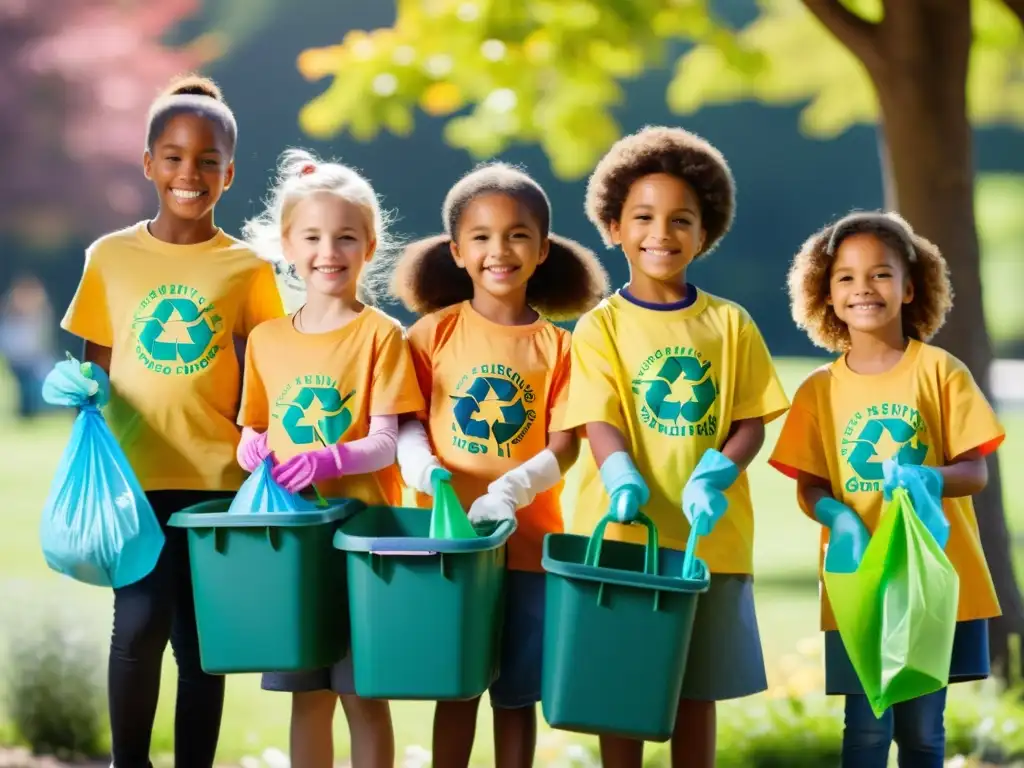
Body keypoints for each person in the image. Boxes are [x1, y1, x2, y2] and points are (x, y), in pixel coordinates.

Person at [47, 74, 285, 768]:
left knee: (201, 642)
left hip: (216, 479)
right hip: (133, 476)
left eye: (208, 160)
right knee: (141, 622)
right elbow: (96, 365)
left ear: (229, 173)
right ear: (149, 163)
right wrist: (78, 390)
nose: (190, 172)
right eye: (174, 156)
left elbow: (264, 368)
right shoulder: (110, 257)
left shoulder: (246, 268)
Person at [561, 126, 790, 768]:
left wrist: (720, 468)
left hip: (704, 540)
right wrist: (621, 478)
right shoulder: (599, 326)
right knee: (619, 687)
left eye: (680, 219)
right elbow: (597, 418)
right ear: (612, 225)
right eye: (643, 217)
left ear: (704, 231)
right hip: (622, 540)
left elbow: (750, 420)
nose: (661, 232)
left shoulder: (730, 323)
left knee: (698, 690)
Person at [769, 211, 1004, 767]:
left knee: (923, 731)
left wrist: (930, 477)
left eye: (880, 274)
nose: (863, 288)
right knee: (867, 730)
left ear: (909, 287)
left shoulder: (940, 371)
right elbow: (809, 485)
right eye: (846, 277)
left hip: (927, 578)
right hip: (861, 584)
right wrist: (837, 516)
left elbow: (975, 471)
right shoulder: (818, 391)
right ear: (825, 293)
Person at [391, 162, 607, 768]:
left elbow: (565, 445)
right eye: (481, 237)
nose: (499, 250)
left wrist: (511, 489)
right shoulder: (430, 335)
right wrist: (421, 468)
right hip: (448, 547)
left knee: (517, 695)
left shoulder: (563, 347)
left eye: (517, 235)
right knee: (456, 686)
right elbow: (407, 421)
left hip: (528, 545)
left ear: (542, 250)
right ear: (457, 251)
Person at [239, 148, 424, 768]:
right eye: (313, 237)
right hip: (292, 546)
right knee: (306, 696)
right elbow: (252, 434)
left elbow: (386, 441)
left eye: (346, 238)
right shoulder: (266, 340)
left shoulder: (381, 336)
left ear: (369, 247)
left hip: (360, 543)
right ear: (288, 246)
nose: (329, 252)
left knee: (363, 693)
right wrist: (255, 450)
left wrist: (325, 461)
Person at [0, 274, 57, 419]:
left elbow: (43, 335)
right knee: (24, 386)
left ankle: (32, 411)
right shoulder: (10, 313)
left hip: (32, 356)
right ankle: (26, 412)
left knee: (32, 386)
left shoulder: (39, 313)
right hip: (17, 357)